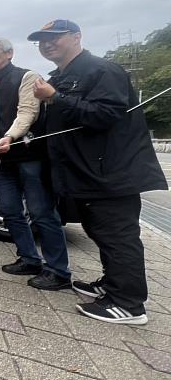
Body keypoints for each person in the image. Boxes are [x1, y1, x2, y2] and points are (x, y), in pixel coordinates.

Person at [30, 19, 167, 324]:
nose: (47, 44)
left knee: (119, 236)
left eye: (55, 37)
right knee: (100, 232)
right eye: (42, 40)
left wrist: (56, 97)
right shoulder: (62, 76)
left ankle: (129, 304)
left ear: (76, 37)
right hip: (83, 174)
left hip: (110, 174)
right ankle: (113, 285)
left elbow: (107, 115)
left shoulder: (102, 70)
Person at [0, 38, 71, 291]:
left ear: (9, 53)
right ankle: (29, 259)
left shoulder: (27, 77)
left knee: (41, 212)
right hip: (0, 158)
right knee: (10, 210)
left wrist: (9, 137)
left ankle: (58, 271)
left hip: (29, 156)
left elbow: (28, 112)